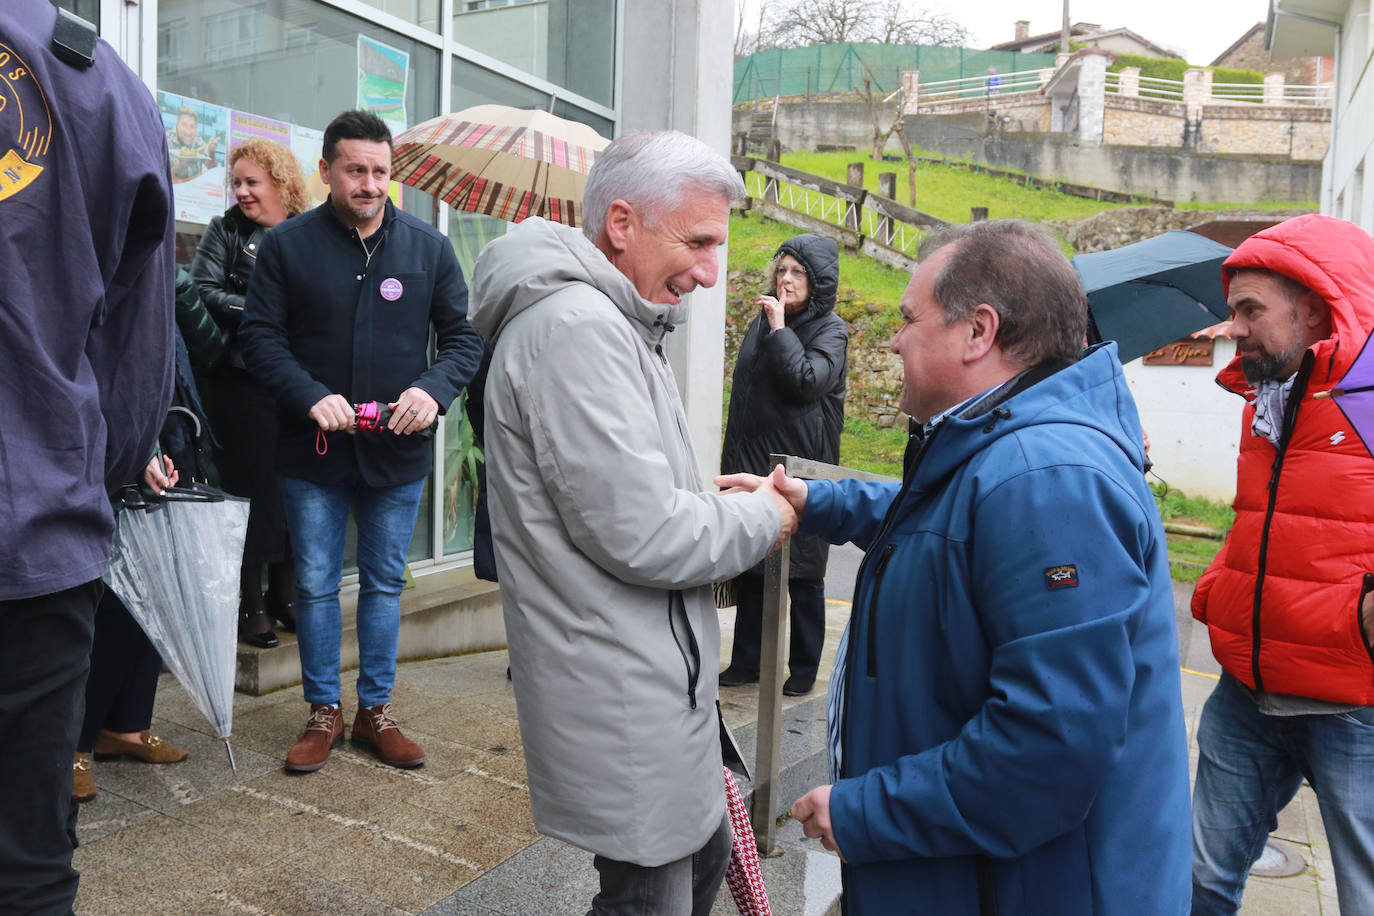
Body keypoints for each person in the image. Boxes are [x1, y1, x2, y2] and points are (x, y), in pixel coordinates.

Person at [721, 220, 1191, 914]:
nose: (893, 338)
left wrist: (865, 814)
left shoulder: (1047, 479)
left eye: (910, 319)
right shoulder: (1005, 449)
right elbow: (946, 520)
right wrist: (816, 500)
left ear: (978, 332)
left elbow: (1047, 754)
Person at [469, 130, 798, 915]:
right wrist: (763, 516)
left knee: (705, 849)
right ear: (622, 223)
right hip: (619, 681)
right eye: (699, 240)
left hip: (648, 670)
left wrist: (721, 504)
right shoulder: (578, 329)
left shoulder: (615, 321)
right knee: (651, 896)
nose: (713, 270)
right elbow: (646, 533)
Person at [239, 110, 483, 774]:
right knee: (316, 584)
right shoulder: (286, 247)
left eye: (380, 171)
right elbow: (259, 339)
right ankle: (324, 712)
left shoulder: (429, 249)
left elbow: (462, 340)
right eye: (356, 170)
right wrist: (308, 394)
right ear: (326, 172)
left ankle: (376, 710)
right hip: (311, 453)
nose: (371, 184)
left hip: (398, 453)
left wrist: (433, 390)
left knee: (383, 583)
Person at [0, 1, 175, 910]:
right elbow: (138, 350)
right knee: (26, 854)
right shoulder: (100, 81)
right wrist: (97, 465)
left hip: (38, 512)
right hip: (36, 523)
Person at [1190, 214, 1374, 915]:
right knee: (1203, 879)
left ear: (1316, 306)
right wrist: (1217, 592)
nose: (1234, 328)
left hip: (1353, 705)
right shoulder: (1261, 400)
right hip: (1244, 691)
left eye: (1250, 310)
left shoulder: (1367, 402)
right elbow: (1262, 524)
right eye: (1232, 310)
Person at [73, 268, 219, 803]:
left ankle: (126, 726)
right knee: (109, 604)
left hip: (158, 443)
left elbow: (164, 364)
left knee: (151, 594)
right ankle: (74, 744)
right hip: (98, 453)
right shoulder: (96, 268)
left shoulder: (158, 274)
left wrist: (152, 446)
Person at [192, 137, 311, 649]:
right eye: (236, 182)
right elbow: (202, 290)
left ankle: (285, 597)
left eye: (251, 182)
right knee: (252, 493)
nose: (241, 191)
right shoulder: (225, 230)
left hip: (299, 383)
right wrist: (263, 311)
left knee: (293, 492)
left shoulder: (310, 232)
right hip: (241, 382)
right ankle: (251, 605)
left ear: (280, 185)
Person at [718, 233, 848, 696]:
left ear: (818, 282)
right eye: (782, 269)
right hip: (755, 459)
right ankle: (747, 661)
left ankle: (805, 667)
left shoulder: (831, 330)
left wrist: (779, 330)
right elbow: (748, 396)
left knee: (804, 573)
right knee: (754, 563)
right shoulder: (765, 319)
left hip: (802, 466)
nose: (785, 279)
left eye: (797, 273)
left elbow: (805, 381)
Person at [167, 106, 219, 182]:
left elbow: (212, 169)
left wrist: (211, 153)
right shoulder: (166, 139)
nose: (188, 131)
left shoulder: (197, 140)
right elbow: (164, 176)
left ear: (196, 128)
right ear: (177, 124)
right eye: (184, 125)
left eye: (192, 126)